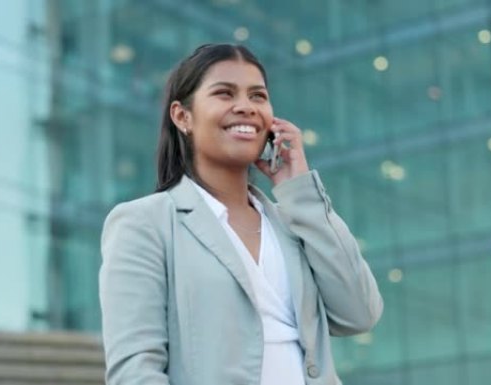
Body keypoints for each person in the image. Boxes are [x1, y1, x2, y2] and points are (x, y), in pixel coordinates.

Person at [99, 43, 383, 385]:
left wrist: (301, 191)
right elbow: (135, 372)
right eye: (224, 93)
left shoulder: (293, 222)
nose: (246, 107)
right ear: (182, 116)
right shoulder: (145, 223)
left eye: (258, 96)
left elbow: (360, 314)